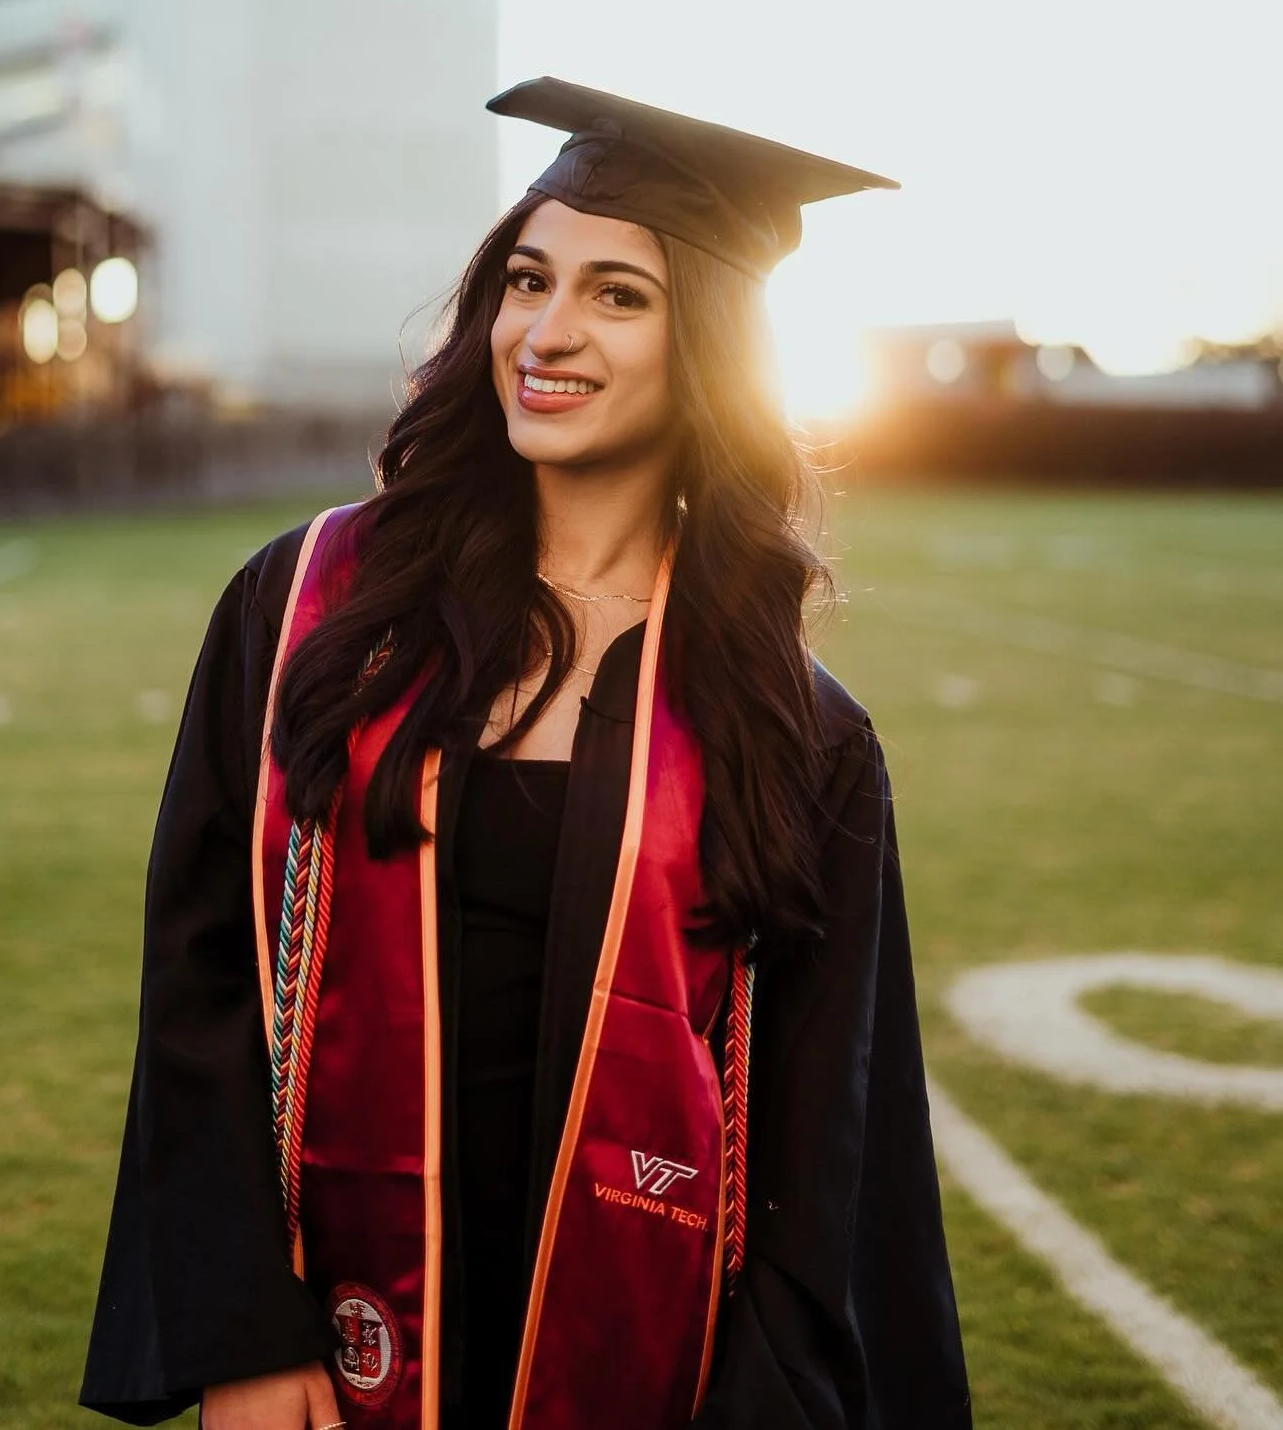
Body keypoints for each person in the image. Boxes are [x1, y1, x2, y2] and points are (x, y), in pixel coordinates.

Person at [80, 78, 972, 1430]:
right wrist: (239, 1329)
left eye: (619, 295)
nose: (548, 333)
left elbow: (824, 1149)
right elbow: (200, 975)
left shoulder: (794, 725)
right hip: (338, 1344)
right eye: (527, 280)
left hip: (650, 1367)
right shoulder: (313, 609)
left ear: (708, 350)